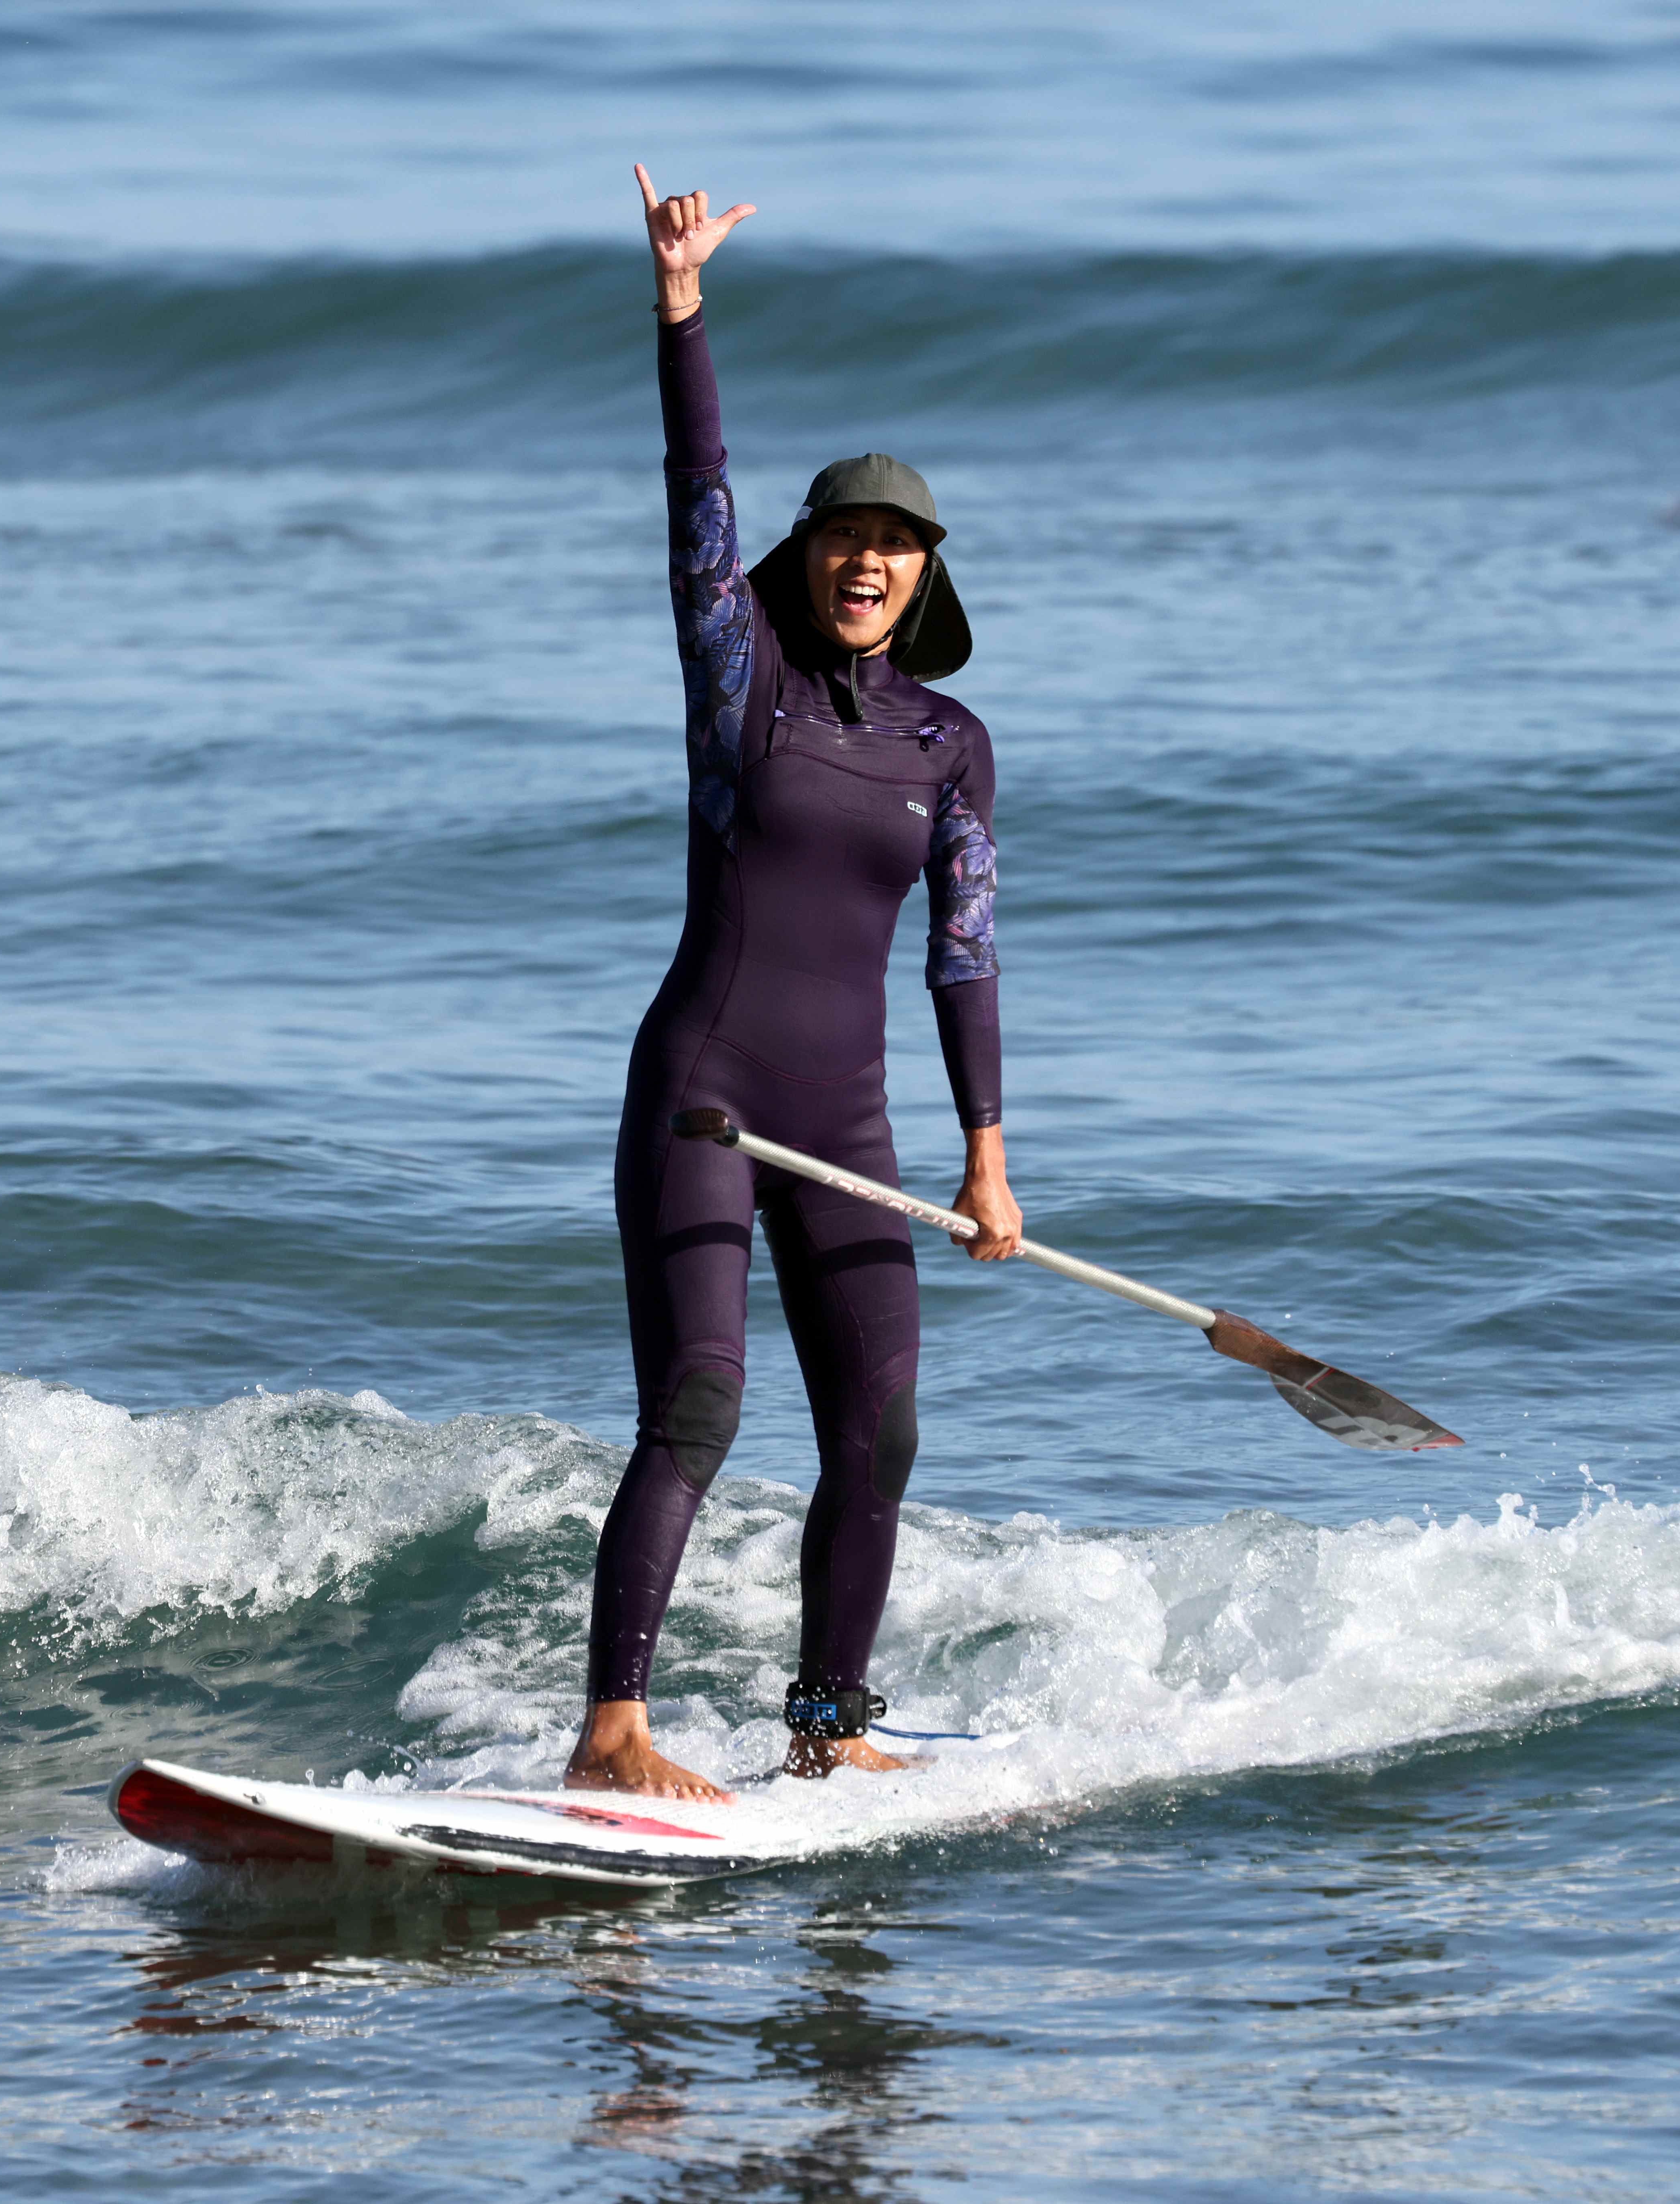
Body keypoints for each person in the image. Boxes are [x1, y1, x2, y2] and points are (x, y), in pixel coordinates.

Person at [564, 166, 1025, 1802]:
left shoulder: (948, 745)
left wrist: (983, 1152)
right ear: (807, 552)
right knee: (698, 1402)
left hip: (849, 1116)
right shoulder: (738, 687)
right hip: (705, 1088)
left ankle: (826, 1725)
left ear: (920, 576)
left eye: (897, 546)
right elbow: (694, 493)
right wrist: (680, 308)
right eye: (846, 536)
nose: (869, 563)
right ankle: (613, 1726)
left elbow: (964, 947)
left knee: (879, 1434)